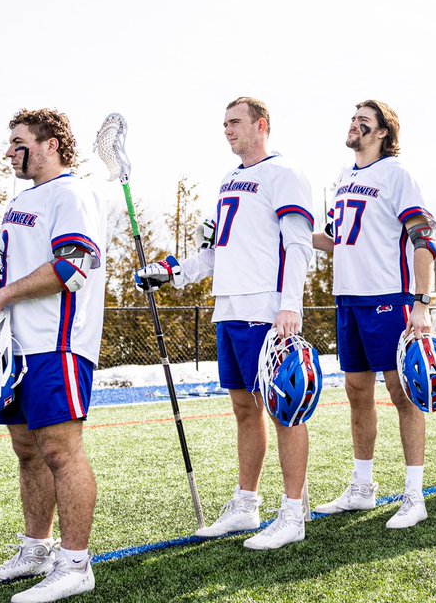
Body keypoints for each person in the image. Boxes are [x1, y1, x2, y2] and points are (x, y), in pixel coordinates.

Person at [135, 97, 315, 549]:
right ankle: (246, 504)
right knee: (243, 409)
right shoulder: (228, 180)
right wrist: (172, 272)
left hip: (266, 311)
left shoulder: (285, 174)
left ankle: (293, 513)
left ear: (262, 125)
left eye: (235, 122)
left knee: (284, 407)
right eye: (224, 123)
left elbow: (298, 245)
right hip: (229, 309)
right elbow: (217, 252)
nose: (227, 130)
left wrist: (289, 305)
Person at [0, 108, 106, 603]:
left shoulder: (72, 194)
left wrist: (1, 297)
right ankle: (36, 549)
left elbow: (71, 267)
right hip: (16, 346)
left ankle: (75, 564)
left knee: (59, 452)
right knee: (27, 451)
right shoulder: (20, 201)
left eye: (18, 141)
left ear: (50, 144)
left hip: (59, 342)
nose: (9, 151)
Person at [311, 100, 436, 529]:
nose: (355, 124)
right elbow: (335, 239)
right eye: (353, 118)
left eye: (365, 120)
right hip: (349, 298)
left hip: (389, 298)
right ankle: (362, 487)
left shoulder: (397, 174)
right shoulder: (345, 177)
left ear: (383, 132)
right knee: (356, 392)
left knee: (402, 394)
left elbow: (423, 238)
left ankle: (415, 495)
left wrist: (421, 302)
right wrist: (285, 230)